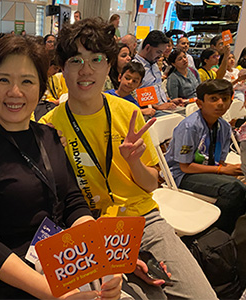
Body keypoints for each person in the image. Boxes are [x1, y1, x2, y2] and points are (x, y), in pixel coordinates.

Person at [40, 17, 217, 300]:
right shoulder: (49, 127)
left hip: (142, 219)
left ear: (110, 66)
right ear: (62, 69)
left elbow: (150, 186)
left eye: (96, 59)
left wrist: (134, 161)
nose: (86, 70)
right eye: (75, 60)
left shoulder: (128, 113)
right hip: (88, 227)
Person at [0, 34, 122, 300]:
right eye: (3, 80)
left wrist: (100, 259)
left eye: (27, 81)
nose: (15, 92)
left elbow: (73, 202)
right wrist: (51, 292)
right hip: (7, 281)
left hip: (63, 266)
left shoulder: (49, 136)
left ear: (41, 87)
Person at [165, 79, 246, 234]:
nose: (220, 103)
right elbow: (185, 166)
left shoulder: (223, 126)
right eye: (213, 99)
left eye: (225, 99)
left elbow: (219, 160)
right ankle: (217, 234)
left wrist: (230, 168)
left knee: (239, 186)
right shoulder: (190, 126)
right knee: (233, 189)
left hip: (205, 169)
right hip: (181, 175)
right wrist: (222, 170)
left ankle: (234, 231)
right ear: (200, 103)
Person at [134, 30, 183, 114]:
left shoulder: (154, 65)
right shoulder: (135, 67)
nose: (161, 56)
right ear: (147, 48)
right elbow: (133, 97)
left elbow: (158, 88)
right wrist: (158, 107)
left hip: (163, 107)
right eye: (158, 52)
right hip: (150, 112)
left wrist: (169, 101)